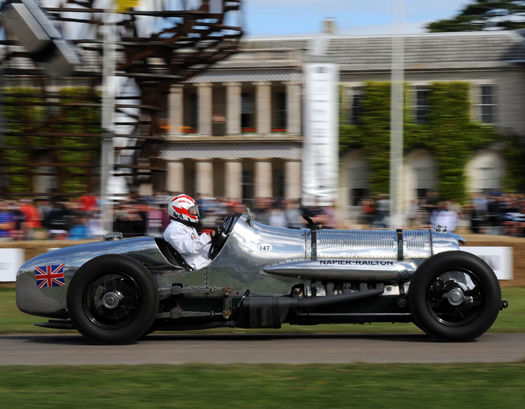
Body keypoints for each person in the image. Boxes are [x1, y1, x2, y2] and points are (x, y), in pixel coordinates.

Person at [163, 194, 214, 270]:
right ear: (180, 211)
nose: (195, 212)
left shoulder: (187, 227)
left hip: (204, 262)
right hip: (198, 268)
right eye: (192, 210)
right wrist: (209, 236)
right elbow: (190, 249)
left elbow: (200, 249)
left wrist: (216, 243)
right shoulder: (174, 229)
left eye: (195, 210)